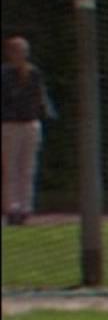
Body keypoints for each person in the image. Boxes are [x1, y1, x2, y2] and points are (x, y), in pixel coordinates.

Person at [1, 34, 55, 226]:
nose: (21, 54)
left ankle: (25, 207)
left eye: (24, 51)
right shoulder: (4, 74)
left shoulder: (33, 73)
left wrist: (45, 113)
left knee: (28, 167)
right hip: (10, 125)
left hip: (30, 124)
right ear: (10, 53)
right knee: (10, 168)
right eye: (17, 51)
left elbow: (41, 96)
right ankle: (11, 208)